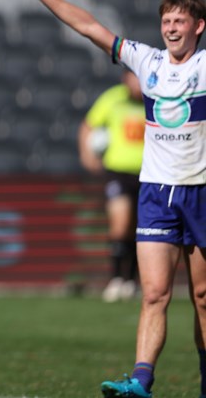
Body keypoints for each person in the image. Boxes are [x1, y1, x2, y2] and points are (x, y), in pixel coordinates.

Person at [13, 0, 206, 398]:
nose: (172, 28)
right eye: (167, 21)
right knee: (154, 293)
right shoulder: (147, 62)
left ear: (198, 26)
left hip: (199, 192)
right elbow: (89, 27)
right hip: (158, 193)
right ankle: (140, 380)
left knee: (201, 298)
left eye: (180, 21)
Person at [78, 69, 144, 303]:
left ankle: (131, 281)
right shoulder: (112, 99)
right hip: (118, 172)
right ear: (125, 79)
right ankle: (116, 278)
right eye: (132, 77)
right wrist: (87, 155)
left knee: (140, 228)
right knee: (121, 221)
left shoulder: (155, 100)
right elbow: (88, 125)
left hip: (148, 173)